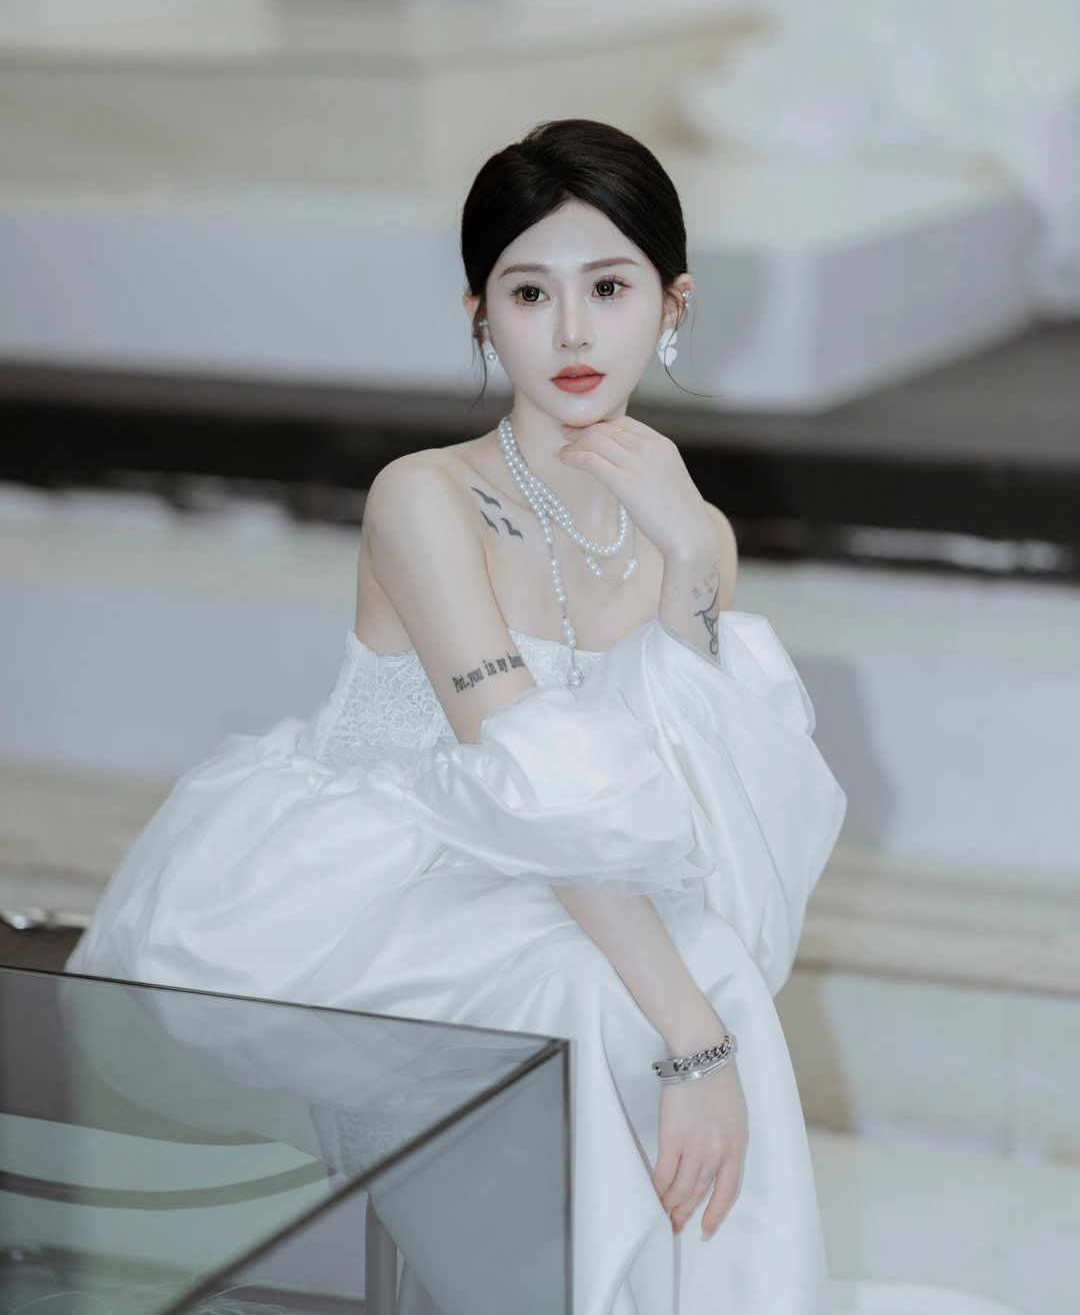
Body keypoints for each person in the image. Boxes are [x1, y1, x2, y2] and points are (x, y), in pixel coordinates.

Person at [65, 117, 848, 1314]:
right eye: (530, 292)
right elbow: (536, 797)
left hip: (569, 883)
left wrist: (689, 554)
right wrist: (695, 1046)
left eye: (609, 287)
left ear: (673, 304)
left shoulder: (692, 530)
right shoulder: (424, 497)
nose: (572, 332)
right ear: (481, 314)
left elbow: (713, 804)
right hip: (378, 882)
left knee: (707, 960)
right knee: (602, 984)